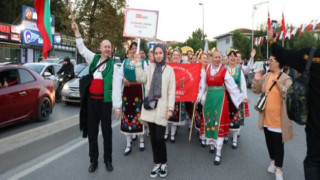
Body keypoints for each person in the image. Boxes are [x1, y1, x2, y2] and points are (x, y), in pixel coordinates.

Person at [267, 29, 320, 180]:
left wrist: (272, 40)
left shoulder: (311, 56)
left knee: (313, 162)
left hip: (316, 127)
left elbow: (284, 54)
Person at [72, 21, 122, 173]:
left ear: (111, 50)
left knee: (107, 133)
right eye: (104, 46)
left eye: (109, 47)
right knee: (92, 133)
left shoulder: (115, 66)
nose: (107, 48)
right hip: (91, 103)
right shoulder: (93, 58)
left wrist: (117, 106)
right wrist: (77, 31)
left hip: (105, 103)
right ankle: (93, 161)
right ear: (100, 49)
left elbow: (117, 88)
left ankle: (108, 160)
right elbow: (81, 48)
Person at [134, 44, 175, 178]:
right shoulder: (149, 67)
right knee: (152, 138)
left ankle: (164, 163)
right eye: (156, 53)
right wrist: (138, 64)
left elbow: (171, 91)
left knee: (159, 138)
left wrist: (170, 109)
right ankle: (157, 163)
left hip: (162, 108)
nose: (158, 55)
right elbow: (141, 79)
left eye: (160, 53)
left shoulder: (169, 70)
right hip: (150, 107)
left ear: (164, 54)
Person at [197, 50, 245, 165]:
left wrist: (241, 96)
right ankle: (212, 144)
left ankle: (218, 152)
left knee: (218, 124)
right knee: (210, 122)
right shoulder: (207, 69)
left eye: (219, 57)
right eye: (216, 57)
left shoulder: (224, 70)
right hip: (209, 99)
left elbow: (232, 85)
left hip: (220, 100)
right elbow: (202, 86)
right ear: (211, 58)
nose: (218, 59)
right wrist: (198, 98)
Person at [251, 55, 293, 180]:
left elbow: (288, 94)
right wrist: (257, 78)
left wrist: (280, 85)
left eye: (271, 60)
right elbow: (256, 90)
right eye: (268, 60)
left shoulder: (286, 78)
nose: (268, 62)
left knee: (278, 144)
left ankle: (279, 169)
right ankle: (273, 161)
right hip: (266, 117)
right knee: (269, 142)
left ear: (279, 63)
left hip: (279, 119)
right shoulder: (266, 76)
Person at [119, 42, 148, 155]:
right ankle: (128, 143)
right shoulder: (125, 62)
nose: (134, 51)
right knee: (127, 115)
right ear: (129, 50)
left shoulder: (143, 62)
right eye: (132, 49)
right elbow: (119, 74)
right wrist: (122, 79)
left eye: (136, 49)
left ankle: (141, 140)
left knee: (139, 115)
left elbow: (146, 77)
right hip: (127, 92)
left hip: (138, 92)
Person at [225, 49, 248, 149]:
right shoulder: (224, 69)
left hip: (237, 98)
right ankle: (225, 135)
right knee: (225, 117)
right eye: (231, 56)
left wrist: (244, 96)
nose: (233, 58)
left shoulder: (239, 69)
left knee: (235, 118)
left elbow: (243, 84)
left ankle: (234, 139)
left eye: (234, 56)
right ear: (228, 58)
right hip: (226, 97)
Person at [165, 49, 186, 143]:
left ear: (180, 57)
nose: (176, 56)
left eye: (177, 55)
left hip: (178, 95)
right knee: (166, 114)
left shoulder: (183, 67)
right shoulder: (167, 66)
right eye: (174, 55)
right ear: (171, 56)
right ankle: (166, 133)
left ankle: (172, 134)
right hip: (167, 94)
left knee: (175, 115)